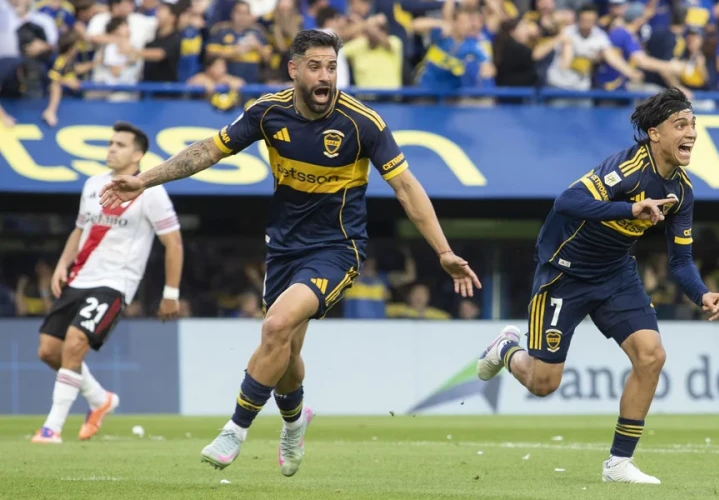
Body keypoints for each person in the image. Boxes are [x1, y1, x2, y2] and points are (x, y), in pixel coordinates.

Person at [99, 30, 480, 476]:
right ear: (294, 69)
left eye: (332, 67)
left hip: (338, 248)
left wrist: (443, 251)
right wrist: (144, 179)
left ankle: (235, 430)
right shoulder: (268, 113)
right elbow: (207, 151)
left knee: (275, 325)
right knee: (286, 359)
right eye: (316, 66)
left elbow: (406, 188)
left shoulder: (363, 123)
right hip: (283, 249)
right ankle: (296, 420)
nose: (326, 76)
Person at [475, 88, 719, 485]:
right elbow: (567, 202)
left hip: (615, 274)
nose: (692, 133)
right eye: (680, 125)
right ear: (655, 133)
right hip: (564, 273)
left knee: (652, 356)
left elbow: (680, 261)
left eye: (693, 125)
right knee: (544, 384)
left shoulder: (681, 191)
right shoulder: (627, 169)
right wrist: (630, 208)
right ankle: (506, 348)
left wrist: (701, 293)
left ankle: (618, 464)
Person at [32, 122, 183, 444]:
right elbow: (80, 228)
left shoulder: (151, 191)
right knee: (48, 351)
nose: (111, 148)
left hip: (115, 282)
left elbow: (174, 243)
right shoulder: (92, 184)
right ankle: (100, 400)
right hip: (79, 278)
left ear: (138, 154)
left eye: (120, 144)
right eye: (110, 143)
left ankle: (52, 428)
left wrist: (171, 293)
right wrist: (62, 264)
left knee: (74, 344)